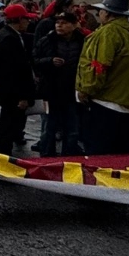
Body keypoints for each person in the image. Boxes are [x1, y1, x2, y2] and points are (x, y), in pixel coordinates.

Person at [77, 0, 129, 155]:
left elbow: (98, 67)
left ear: (108, 13)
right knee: (128, 158)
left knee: (102, 156)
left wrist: (85, 91)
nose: (99, 14)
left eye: (101, 11)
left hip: (106, 104)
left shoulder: (108, 33)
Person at [33, 11, 86, 156]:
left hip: (72, 91)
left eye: (64, 23)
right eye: (57, 23)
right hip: (51, 91)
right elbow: (34, 60)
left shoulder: (84, 41)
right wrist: (49, 61)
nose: (59, 26)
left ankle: (70, 156)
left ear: (74, 25)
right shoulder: (47, 41)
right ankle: (46, 156)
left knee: (72, 128)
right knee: (49, 127)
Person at [0, 4, 35, 155]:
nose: (28, 22)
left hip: (7, 92)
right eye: (26, 19)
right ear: (19, 19)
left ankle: (1, 154)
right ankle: (2, 157)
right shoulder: (9, 38)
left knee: (6, 125)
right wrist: (22, 96)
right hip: (11, 94)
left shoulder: (7, 34)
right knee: (7, 126)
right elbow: (15, 71)